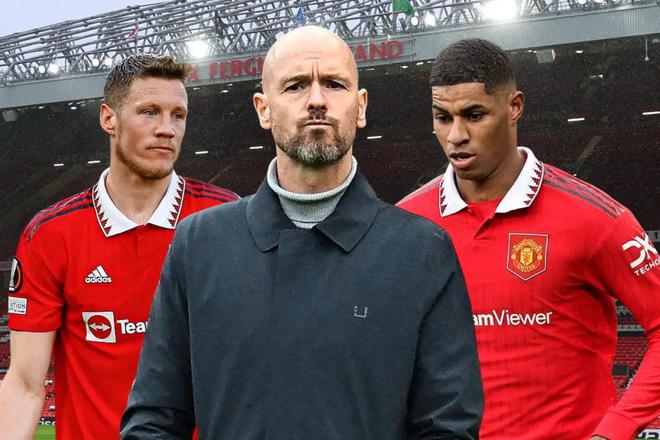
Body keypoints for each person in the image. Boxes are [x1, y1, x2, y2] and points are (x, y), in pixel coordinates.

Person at [120, 26, 483, 440]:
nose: (316, 100)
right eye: (295, 86)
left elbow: (447, 426)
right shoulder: (199, 244)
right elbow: (155, 418)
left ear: (360, 106)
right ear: (263, 109)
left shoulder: (421, 251)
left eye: (334, 84)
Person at [398, 38, 660, 440]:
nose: (455, 135)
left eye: (473, 115)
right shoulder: (406, 223)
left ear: (514, 107)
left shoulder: (597, 219)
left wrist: (615, 430)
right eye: (442, 117)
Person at [0, 53, 239, 439]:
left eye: (178, 115)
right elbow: (25, 385)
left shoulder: (227, 218)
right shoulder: (50, 234)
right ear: (108, 118)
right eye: (150, 112)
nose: (167, 129)